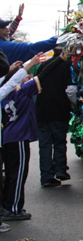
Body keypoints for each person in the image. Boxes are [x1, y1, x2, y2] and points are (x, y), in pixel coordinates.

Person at [1, 54, 46, 221]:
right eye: (26, 75)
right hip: (18, 137)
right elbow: (44, 74)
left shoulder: (6, 91)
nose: (29, 77)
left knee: (11, 173)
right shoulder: (22, 90)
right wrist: (58, 59)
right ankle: (13, 207)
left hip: (7, 136)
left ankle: (7, 204)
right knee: (18, 173)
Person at [35, 47, 74, 187]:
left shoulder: (43, 65)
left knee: (45, 144)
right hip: (59, 108)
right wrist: (72, 104)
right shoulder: (68, 65)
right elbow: (71, 90)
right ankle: (60, 169)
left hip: (41, 109)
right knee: (59, 141)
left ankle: (46, 176)